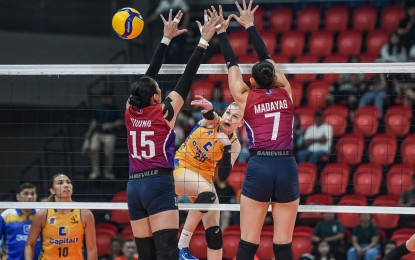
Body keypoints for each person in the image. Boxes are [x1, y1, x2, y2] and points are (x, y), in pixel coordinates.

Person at [124, 9, 219, 260]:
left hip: (134, 186)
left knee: (146, 255)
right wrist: (203, 41)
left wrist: (165, 40)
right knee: (167, 253)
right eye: (158, 90)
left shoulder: (129, 111)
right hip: (158, 184)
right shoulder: (164, 112)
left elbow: (146, 78)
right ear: (156, 97)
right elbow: (186, 79)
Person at [215, 1, 300, 258]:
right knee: (283, 244)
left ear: (252, 81)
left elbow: (231, 65)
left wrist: (221, 31)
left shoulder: (245, 96)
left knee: (248, 242)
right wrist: (251, 25)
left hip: (260, 166)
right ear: (274, 76)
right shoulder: (286, 91)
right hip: (286, 167)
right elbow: (268, 60)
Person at [174, 96, 243, 260]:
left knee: (215, 231)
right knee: (208, 194)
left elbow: (223, 176)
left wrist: (226, 147)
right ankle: (181, 246)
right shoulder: (213, 122)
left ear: (240, 124)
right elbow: (210, 115)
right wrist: (210, 109)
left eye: (235, 117)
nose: (229, 118)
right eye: (228, 113)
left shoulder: (234, 144)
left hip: (203, 180)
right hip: (180, 168)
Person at [24, 174, 97, 260]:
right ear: (52, 190)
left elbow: (91, 249)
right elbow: (29, 245)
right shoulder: (42, 214)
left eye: (68, 182)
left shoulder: (85, 214)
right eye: (60, 183)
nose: (66, 185)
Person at [84, 91, 123, 180]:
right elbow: (94, 121)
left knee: (108, 153)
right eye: (104, 97)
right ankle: (95, 172)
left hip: (110, 134)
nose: (106, 99)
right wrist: (89, 132)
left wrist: (111, 125)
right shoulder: (98, 108)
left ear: (111, 98)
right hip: (98, 133)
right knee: (93, 148)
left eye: (108, 97)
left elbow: (120, 121)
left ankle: (107, 173)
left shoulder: (115, 108)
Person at [0, 183, 41, 260]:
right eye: (26, 193)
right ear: (18, 197)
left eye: (33, 193)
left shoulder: (41, 215)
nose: (30, 197)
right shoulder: (6, 215)